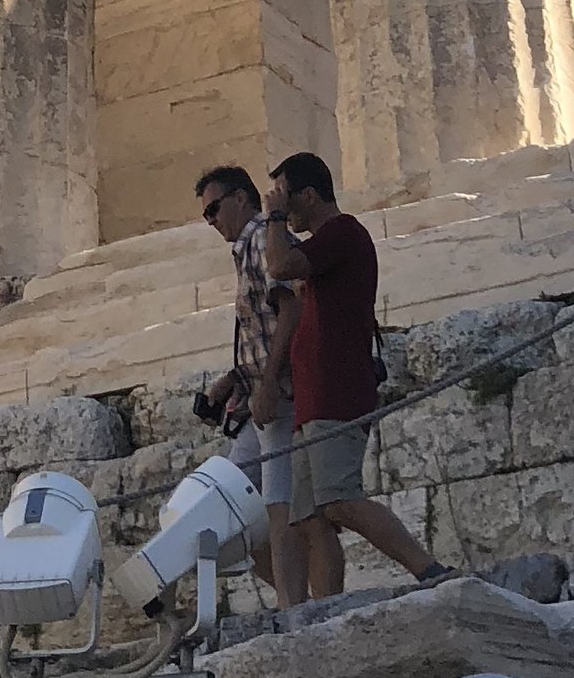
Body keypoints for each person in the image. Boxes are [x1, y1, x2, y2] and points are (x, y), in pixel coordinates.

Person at [260, 154, 454, 602]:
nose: (283, 207)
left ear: (309, 195)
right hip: (312, 399)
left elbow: (279, 265)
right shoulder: (324, 245)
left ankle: (427, 568)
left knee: (338, 499)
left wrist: (271, 218)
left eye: (286, 196)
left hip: (336, 391)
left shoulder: (343, 233)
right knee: (309, 517)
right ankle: (326, 610)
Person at [193, 163, 305, 607]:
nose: (211, 221)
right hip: (259, 397)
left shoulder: (262, 238)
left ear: (242, 198)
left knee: (277, 507)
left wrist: (269, 385)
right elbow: (264, 325)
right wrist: (233, 381)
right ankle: (298, 595)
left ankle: (294, 609)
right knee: (229, 509)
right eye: (206, 215)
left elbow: (290, 311)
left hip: (279, 396)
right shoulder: (247, 247)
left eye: (214, 209)